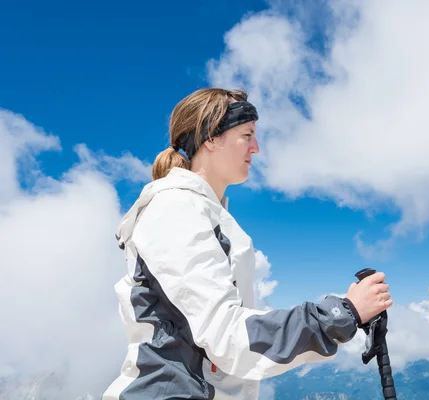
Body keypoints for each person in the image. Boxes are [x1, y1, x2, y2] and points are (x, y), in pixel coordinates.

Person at [103, 88, 393, 400]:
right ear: (210, 138)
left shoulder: (204, 214)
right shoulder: (175, 208)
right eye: (247, 134)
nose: (256, 148)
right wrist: (343, 314)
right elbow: (228, 335)